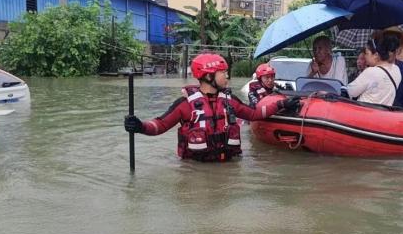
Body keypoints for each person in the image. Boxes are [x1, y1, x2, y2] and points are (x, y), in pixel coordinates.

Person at [124, 53, 300, 162]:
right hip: (195, 171)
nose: (227, 76)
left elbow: (254, 114)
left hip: (228, 167)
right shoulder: (185, 105)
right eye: (223, 73)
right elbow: (160, 125)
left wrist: (281, 104)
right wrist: (140, 127)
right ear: (208, 76)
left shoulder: (230, 100)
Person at [346, 34, 402, 105]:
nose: (365, 56)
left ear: (376, 55)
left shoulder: (370, 72)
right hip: (383, 113)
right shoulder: (396, 69)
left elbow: (350, 92)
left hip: (365, 113)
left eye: (367, 53)